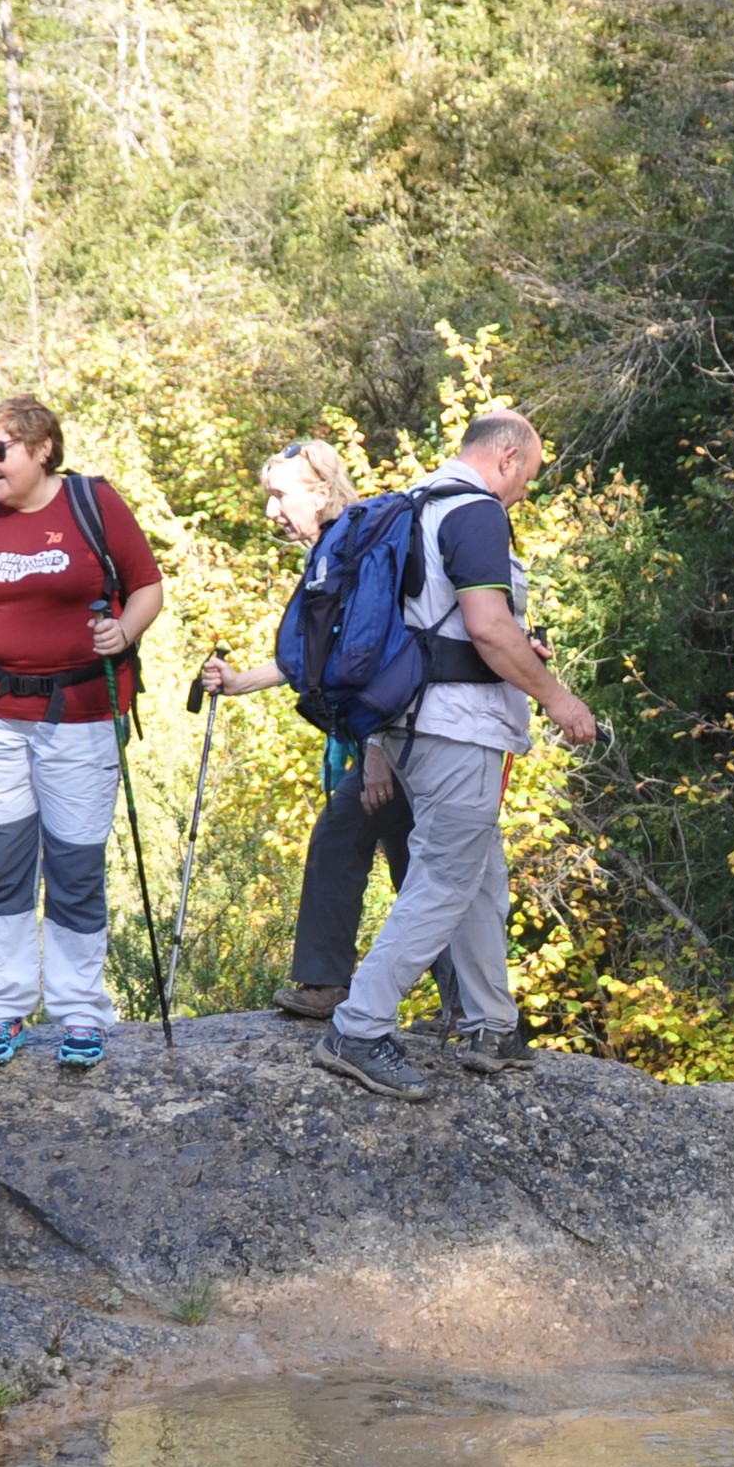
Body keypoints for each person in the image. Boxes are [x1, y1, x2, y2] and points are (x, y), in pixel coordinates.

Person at [311, 406, 597, 1102]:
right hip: (457, 729)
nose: (524, 490)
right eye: (527, 475)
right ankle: (358, 1026)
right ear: (506, 457)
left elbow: (432, 631)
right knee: (443, 876)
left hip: (410, 722)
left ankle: (491, 1024)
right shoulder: (474, 512)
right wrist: (558, 700)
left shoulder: (412, 506)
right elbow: (488, 629)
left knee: (479, 872)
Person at [0, 395, 164, 1072]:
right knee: (4, 863)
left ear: (42, 447)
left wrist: (123, 632)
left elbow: (147, 587)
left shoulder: (92, 504)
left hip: (81, 713)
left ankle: (80, 1011)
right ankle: (2, 1006)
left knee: (74, 865)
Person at [199, 437, 423, 1021]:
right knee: (411, 864)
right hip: (395, 736)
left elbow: (377, 654)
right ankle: (458, 1005)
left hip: (402, 737)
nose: (271, 510)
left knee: (366, 847)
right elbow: (318, 656)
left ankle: (333, 986)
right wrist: (241, 681)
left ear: (321, 492)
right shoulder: (340, 548)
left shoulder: (358, 550)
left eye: (279, 496)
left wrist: (376, 751)